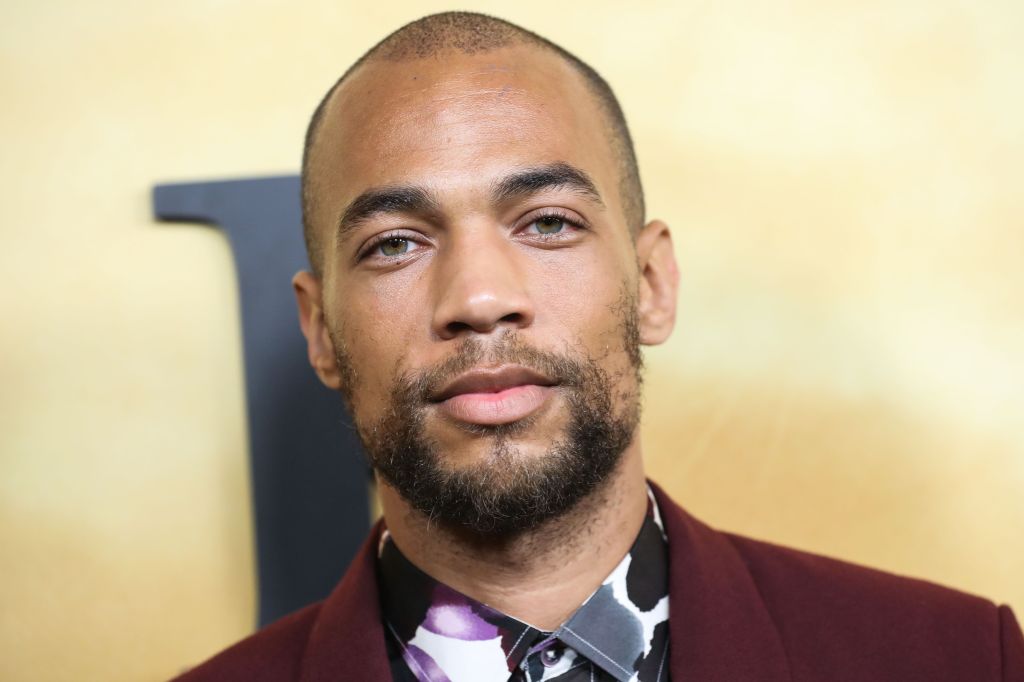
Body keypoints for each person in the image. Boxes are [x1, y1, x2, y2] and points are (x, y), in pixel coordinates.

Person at [175, 11, 1024, 682]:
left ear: (652, 283)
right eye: (395, 243)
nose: (478, 299)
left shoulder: (959, 659)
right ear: (321, 331)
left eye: (548, 223)